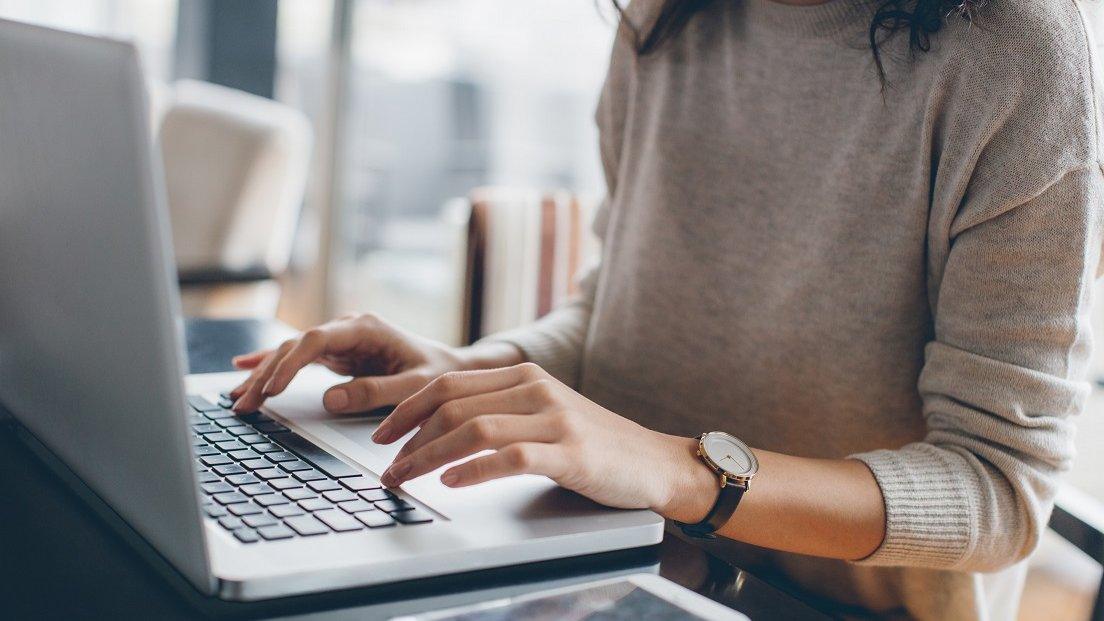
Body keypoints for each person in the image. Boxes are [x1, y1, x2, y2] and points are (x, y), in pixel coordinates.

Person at [229, 1, 1104, 618]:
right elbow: (618, 311)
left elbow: (1000, 490)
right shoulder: (666, 12)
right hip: (617, 562)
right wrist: (466, 372)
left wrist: (681, 472)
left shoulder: (1017, 51)